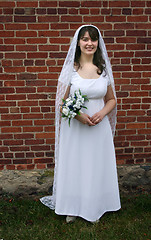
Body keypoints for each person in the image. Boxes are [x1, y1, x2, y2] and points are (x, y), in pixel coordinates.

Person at [40, 25, 121, 223]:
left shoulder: (103, 71)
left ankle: (95, 205)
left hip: (98, 128)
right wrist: (78, 116)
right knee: (76, 164)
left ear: (98, 43)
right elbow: (60, 103)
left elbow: (112, 99)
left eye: (93, 40)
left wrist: (101, 114)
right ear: (78, 42)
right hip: (76, 128)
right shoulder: (71, 70)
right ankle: (72, 207)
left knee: (95, 166)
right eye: (85, 39)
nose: (89, 43)